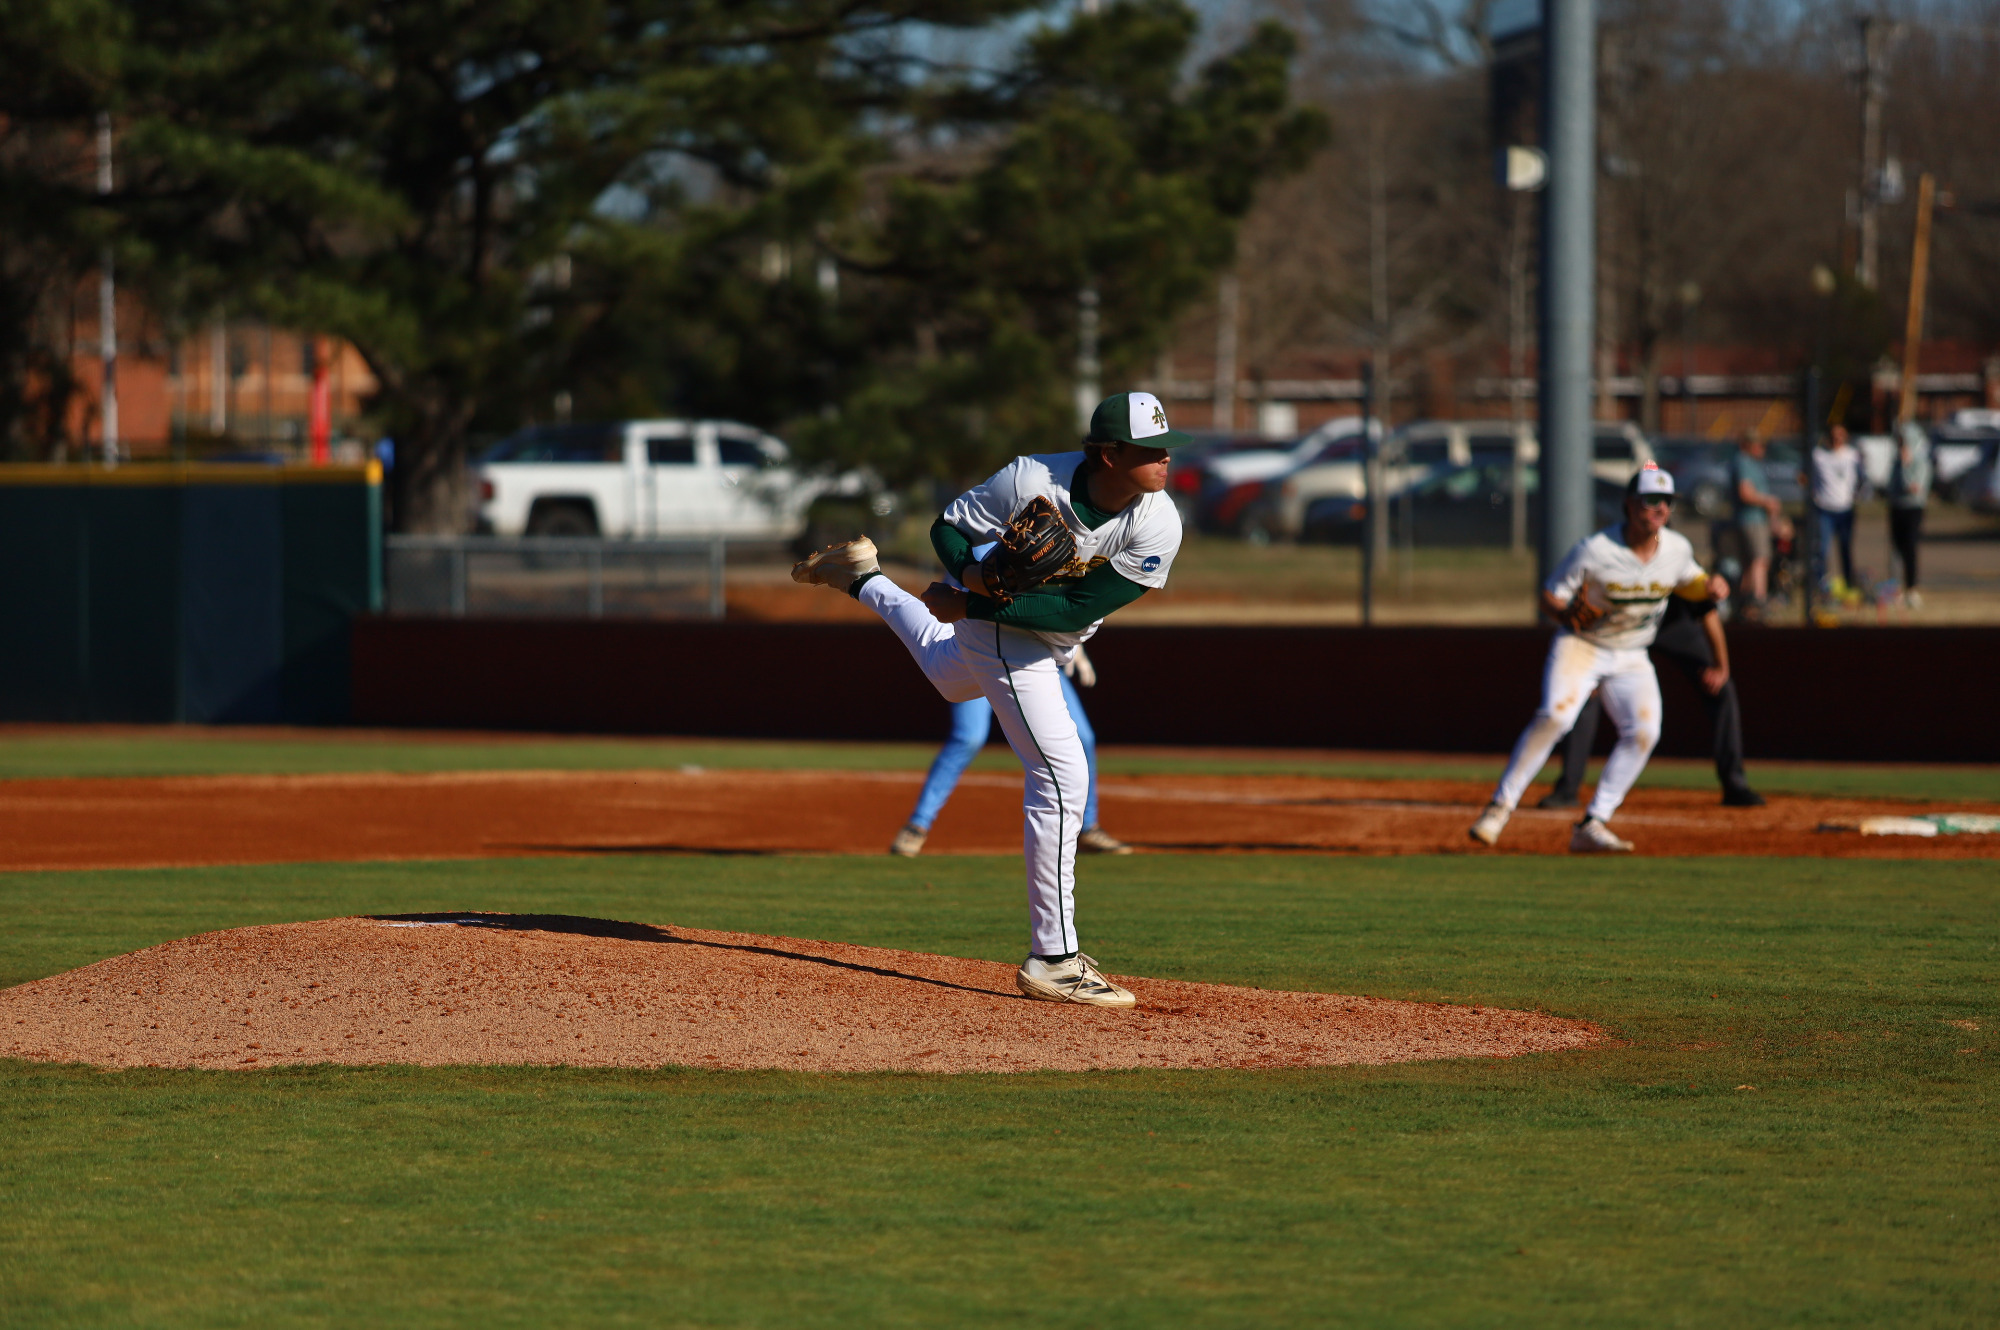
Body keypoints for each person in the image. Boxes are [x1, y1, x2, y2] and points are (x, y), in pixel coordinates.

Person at [791, 390, 1186, 1008]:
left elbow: (1082, 605)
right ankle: (1054, 958)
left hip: (1037, 630)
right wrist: (969, 578)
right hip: (1006, 632)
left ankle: (862, 576)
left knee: (950, 675)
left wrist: (965, 604)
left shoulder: (1158, 519)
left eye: (1166, 448)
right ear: (1108, 455)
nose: (1164, 459)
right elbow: (947, 529)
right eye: (1148, 449)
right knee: (1060, 774)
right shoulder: (1032, 477)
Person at [1470, 462, 1726, 853]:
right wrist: (1565, 614)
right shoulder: (1596, 550)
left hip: (1632, 653)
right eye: (1650, 500)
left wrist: (1710, 585)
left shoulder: (1676, 548)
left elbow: (1689, 582)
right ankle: (1499, 806)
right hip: (1583, 645)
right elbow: (1549, 596)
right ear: (1629, 505)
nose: (1659, 509)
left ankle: (1592, 823)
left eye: (1667, 502)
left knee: (1644, 732)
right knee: (1556, 715)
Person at [890, 645, 1131, 858]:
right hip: (977, 654)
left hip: (1030, 657)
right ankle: (917, 825)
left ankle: (1087, 828)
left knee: (1082, 736)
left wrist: (1074, 642)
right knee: (969, 738)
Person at [1534, 589, 1762, 811]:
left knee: (1721, 688)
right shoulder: (1612, 554)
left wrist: (1721, 667)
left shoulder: (1676, 555)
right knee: (1586, 693)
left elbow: (1707, 611)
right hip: (1622, 627)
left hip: (1672, 623)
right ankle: (1567, 790)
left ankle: (1735, 784)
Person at [1730, 432, 1787, 613]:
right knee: (1760, 560)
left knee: (1749, 564)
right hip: (1751, 520)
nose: (1762, 449)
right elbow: (1745, 493)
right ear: (1749, 445)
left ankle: (1743, 604)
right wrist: (1768, 501)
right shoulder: (1744, 462)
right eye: (1759, 445)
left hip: (1754, 519)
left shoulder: (1750, 463)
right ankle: (1758, 599)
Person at [1809, 424, 1862, 594]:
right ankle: (1821, 586)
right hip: (1824, 508)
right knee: (1822, 549)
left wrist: (1857, 494)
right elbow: (1805, 476)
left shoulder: (1852, 455)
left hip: (1845, 509)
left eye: (1841, 435)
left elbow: (1862, 478)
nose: (1837, 439)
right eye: (1834, 435)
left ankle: (1848, 582)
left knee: (1845, 548)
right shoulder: (1818, 455)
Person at [1888, 420, 1932, 609]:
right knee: (1896, 549)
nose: (1901, 445)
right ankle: (1895, 589)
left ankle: (1911, 589)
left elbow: (1913, 487)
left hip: (1913, 509)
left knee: (1910, 548)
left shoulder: (1921, 462)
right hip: (1896, 508)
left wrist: (1907, 465)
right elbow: (1890, 487)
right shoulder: (1896, 462)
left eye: (1904, 441)